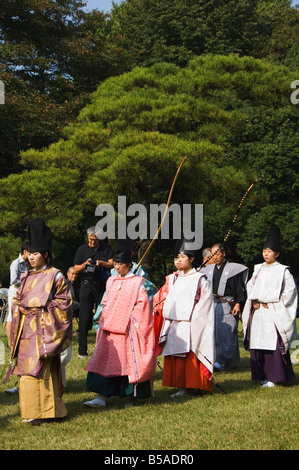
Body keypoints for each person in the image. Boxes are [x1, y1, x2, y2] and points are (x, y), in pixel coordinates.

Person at [6, 218, 73, 425]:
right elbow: (17, 300)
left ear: (45, 254)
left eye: (36, 254)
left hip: (45, 330)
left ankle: (48, 411)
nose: (32, 258)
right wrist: (20, 308)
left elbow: (64, 304)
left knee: (43, 371)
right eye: (30, 254)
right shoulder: (25, 276)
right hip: (26, 330)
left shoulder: (57, 276)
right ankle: (31, 410)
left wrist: (41, 310)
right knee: (26, 372)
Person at [83, 238, 156, 408]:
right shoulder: (111, 281)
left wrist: (132, 321)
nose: (116, 267)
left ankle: (131, 397)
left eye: (120, 264)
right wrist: (102, 317)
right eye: (115, 263)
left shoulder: (138, 283)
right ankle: (101, 396)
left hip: (128, 330)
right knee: (104, 360)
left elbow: (142, 306)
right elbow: (106, 301)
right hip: (109, 328)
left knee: (129, 363)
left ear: (129, 264)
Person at [242, 224, 298, 388]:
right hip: (259, 312)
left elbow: (290, 291)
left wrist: (277, 304)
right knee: (259, 343)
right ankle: (262, 375)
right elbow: (251, 286)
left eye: (270, 251)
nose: (266, 254)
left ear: (277, 253)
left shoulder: (283, 271)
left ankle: (275, 377)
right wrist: (253, 300)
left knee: (273, 344)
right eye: (264, 251)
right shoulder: (258, 269)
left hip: (273, 312)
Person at [159, 239, 215, 397]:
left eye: (182, 257)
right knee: (176, 357)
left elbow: (205, 303)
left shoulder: (200, 279)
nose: (179, 261)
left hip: (192, 323)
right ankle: (181, 387)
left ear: (191, 259)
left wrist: (193, 321)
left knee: (191, 355)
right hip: (175, 324)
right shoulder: (174, 279)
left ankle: (197, 385)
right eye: (177, 258)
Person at [201, 243, 248, 370]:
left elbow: (239, 288)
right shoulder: (209, 270)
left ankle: (221, 361)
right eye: (212, 254)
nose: (214, 257)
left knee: (227, 332)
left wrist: (238, 303)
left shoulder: (233, 269)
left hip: (227, 304)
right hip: (213, 304)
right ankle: (225, 360)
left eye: (217, 253)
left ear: (224, 253)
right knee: (215, 333)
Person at [73, 226, 113, 357]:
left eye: (94, 240)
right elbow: (74, 269)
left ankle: (105, 349)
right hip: (86, 285)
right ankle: (82, 351)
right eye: (90, 239)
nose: (91, 242)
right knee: (84, 318)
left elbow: (112, 263)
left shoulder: (106, 248)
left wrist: (101, 263)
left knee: (104, 317)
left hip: (102, 285)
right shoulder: (81, 249)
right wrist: (85, 264)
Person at [5, 242, 29, 347]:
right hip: (15, 290)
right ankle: (10, 343)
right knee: (11, 315)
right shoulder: (16, 263)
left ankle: (17, 340)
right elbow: (13, 281)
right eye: (30, 253)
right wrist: (27, 281)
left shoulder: (26, 264)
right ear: (25, 251)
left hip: (23, 291)